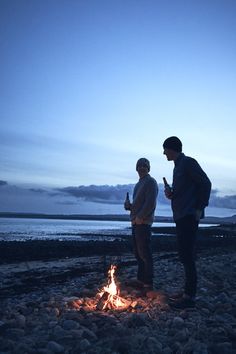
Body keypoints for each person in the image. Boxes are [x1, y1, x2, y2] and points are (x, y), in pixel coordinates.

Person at [163, 136, 211, 309]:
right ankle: (187, 292)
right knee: (184, 254)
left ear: (172, 148)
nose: (163, 153)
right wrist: (171, 193)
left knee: (187, 255)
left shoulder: (188, 163)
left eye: (165, 149)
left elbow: (205, 183)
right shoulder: (177, 168)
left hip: (189, 215)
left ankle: (189, 297)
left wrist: (200, 207)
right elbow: (183, 192)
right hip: (180, 215)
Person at [124, 158, 158, 292]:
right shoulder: (138, 184)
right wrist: (130, 207)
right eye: (139, 165)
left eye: (144, 165)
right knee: (138, 254)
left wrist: (140, 217)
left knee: (145, 253)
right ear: (136, 168)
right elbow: (138, 205)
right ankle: (141, 279)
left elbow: (150, 203)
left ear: (148, 168)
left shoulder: (150, 182)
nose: (142, 167)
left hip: (143, 222)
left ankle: (148, 283)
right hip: (135, 222)